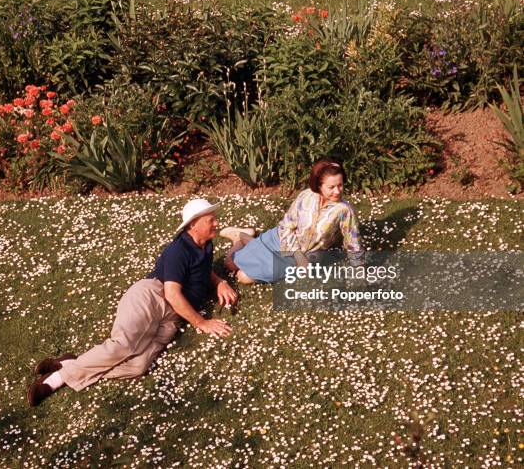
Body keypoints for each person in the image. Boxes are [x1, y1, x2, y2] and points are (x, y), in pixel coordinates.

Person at [27, 198, 238, 407]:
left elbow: (201, 270)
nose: (216, 224)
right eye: (211, 220)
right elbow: (172, 294)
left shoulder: (205, 245)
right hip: (153, 296)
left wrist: (218, 282)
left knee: (138, 366)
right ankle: (56, 380)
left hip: (174, 316)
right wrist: (202, 323)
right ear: (193, 224)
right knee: (124, 345)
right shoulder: (178, 250)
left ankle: (69, 363)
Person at [222, 160, 365, 284]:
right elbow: (286, 226)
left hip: (306, 256)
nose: (337, 191)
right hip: (281, 240)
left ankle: (244, 237)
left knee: (243, 277)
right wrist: (297, 255)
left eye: (340, 185)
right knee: (229, 264)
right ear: (319, 185)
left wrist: (358, 270)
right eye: (331, 187)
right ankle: (239, 237)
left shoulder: (344, 210)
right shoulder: (306, 196)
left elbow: (353, 242)